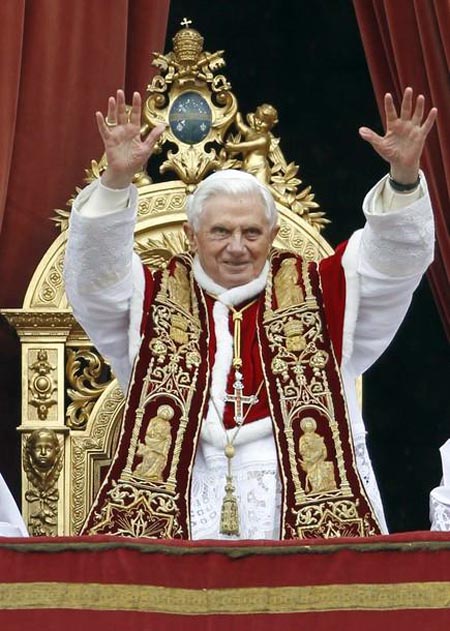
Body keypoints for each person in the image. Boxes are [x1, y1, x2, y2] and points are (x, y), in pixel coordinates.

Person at [64, 87, 437, 540]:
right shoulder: (150, 298)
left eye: (252, 232)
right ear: (191, 235)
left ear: (274, 234)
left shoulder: (324, 294)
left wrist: (403, 178)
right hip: (182, 521)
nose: (237, 247)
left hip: (293, 520)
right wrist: (115, 182)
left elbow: (394, 262)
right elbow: (94, 277)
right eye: (220, 231)